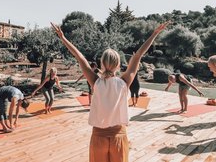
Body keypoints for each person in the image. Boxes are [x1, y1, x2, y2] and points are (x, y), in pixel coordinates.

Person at [52, 21, 170, 162]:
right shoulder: (124, 82)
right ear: (118, 64)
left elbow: (80, 57)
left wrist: (63, 38)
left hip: (98, 137)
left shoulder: (96, 82)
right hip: (118, 136)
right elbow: (138, 55)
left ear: (102, 64)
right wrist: (155, 33)